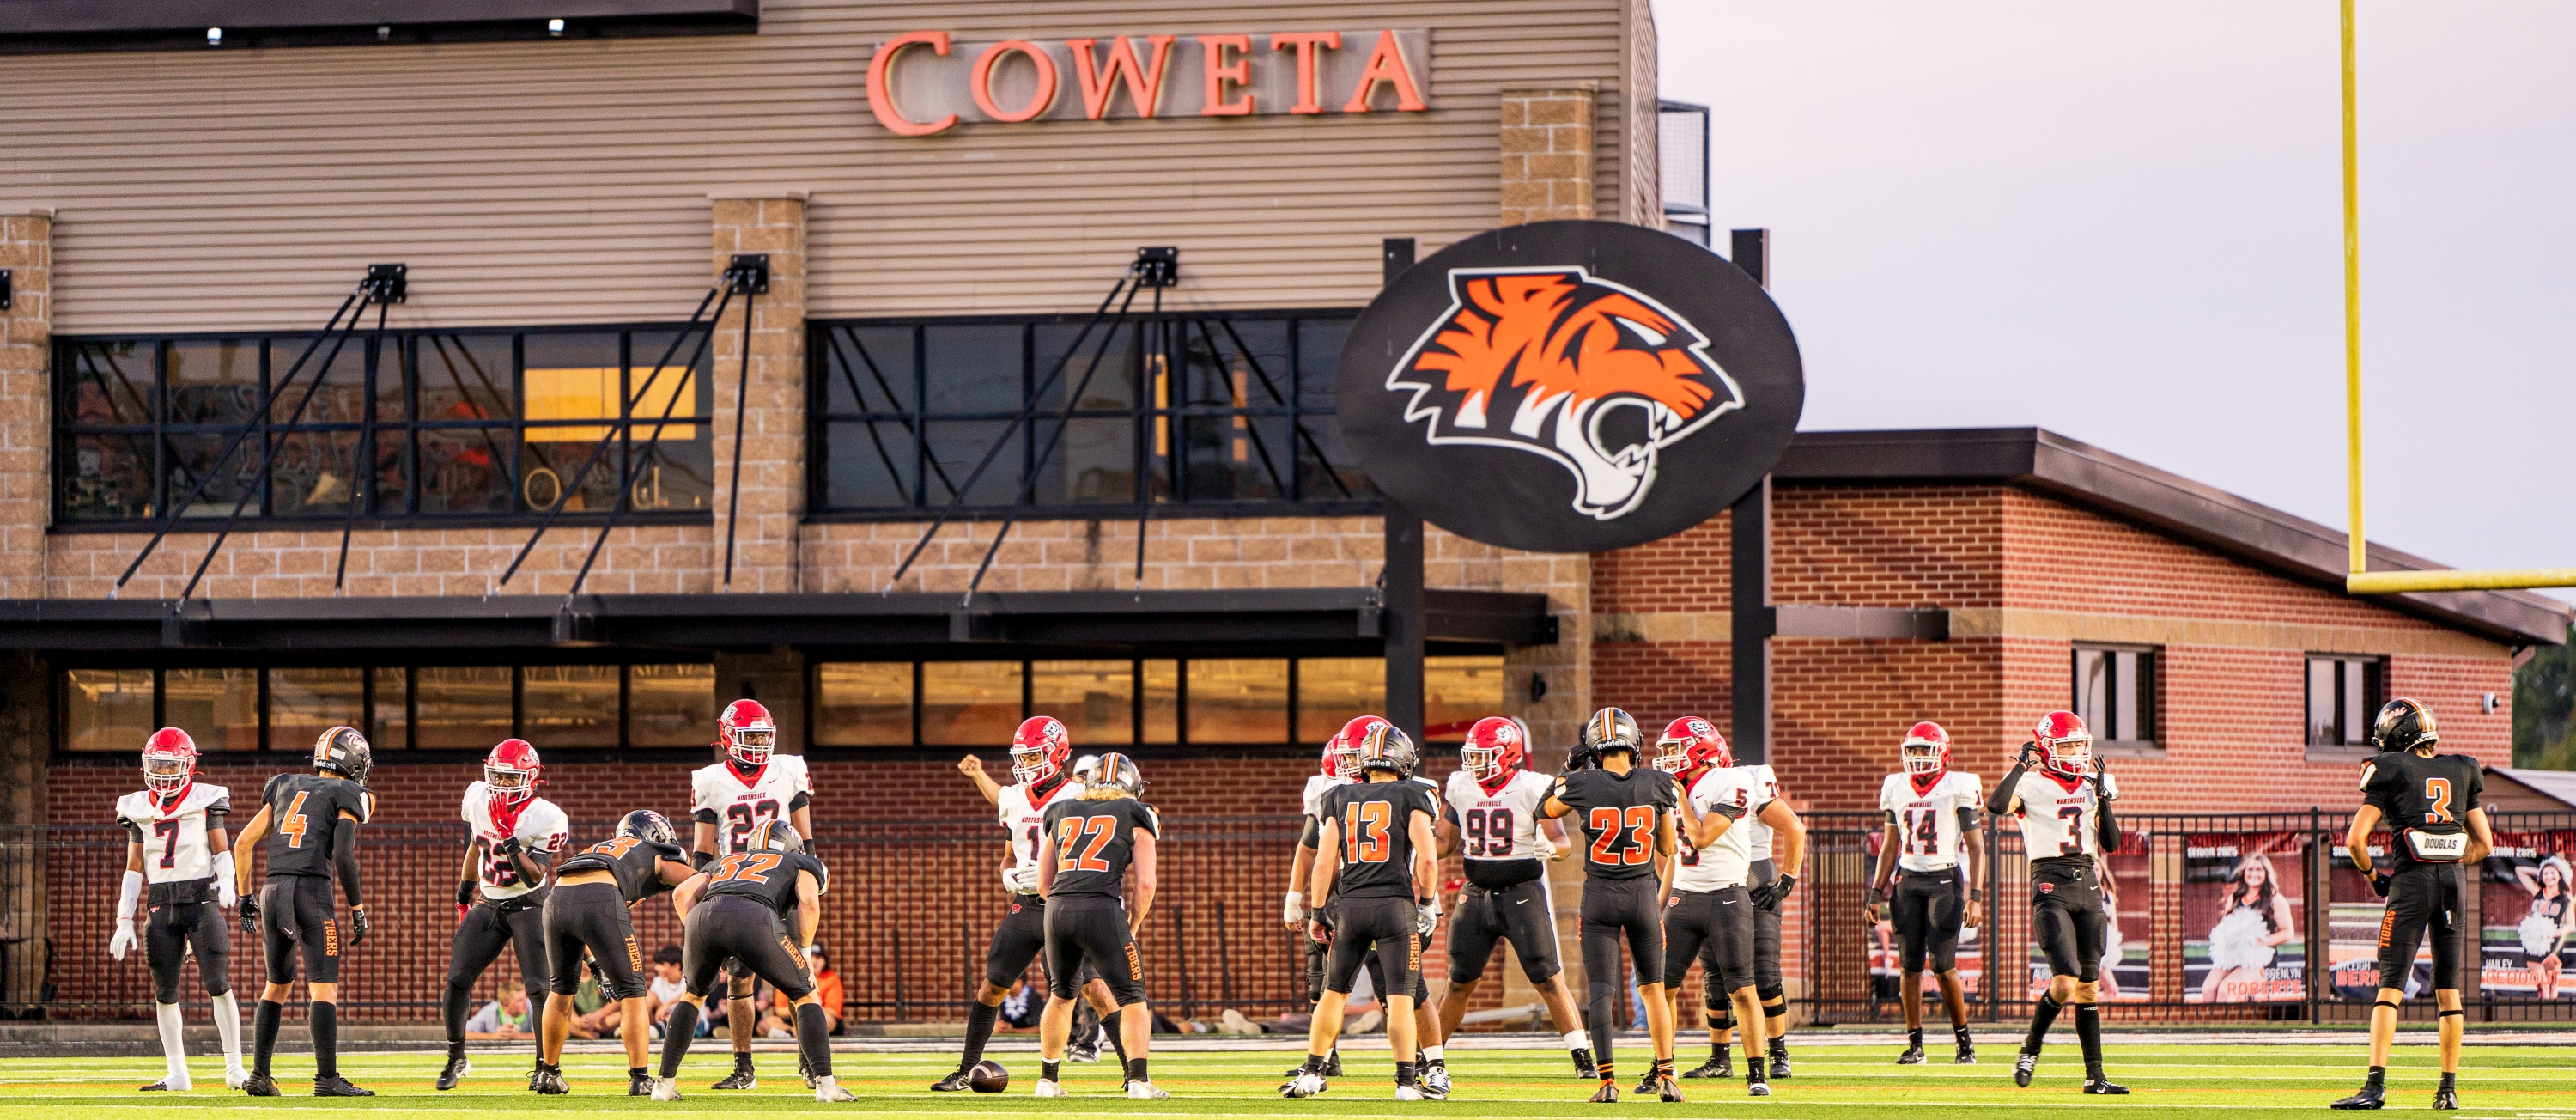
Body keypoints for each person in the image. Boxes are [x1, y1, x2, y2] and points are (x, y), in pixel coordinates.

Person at [934, 718, 1133, 1090]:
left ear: (1057, 754)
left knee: (1096, 989)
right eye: (1022, 757)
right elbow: (1009, 856)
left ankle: (1132, 1072)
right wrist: (1007, 874)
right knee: (991, 988)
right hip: (1026, 906)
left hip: (1065, 902)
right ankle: (965, 1070)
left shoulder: (1079, 794)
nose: (1026, 764)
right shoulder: (1013, 797)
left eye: (1034, 755)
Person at [2332, 698, 2494, 1111]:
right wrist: (2451, 862)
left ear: (2396, 734)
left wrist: (2373, 878)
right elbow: (2485, 844)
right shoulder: (2461, 770)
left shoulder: (2389, 770)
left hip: (2410, 884)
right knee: (2449, 990)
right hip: (2453, 883)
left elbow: (2354, 840)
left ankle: (2375, 1085)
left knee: (2391, 985)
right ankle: (2448, 1089)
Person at [1283, 725, 1440, 1101]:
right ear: (1403, 761)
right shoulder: (1415, 793)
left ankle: (1312, 1071)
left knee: (1332, 992)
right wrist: (1428, 903)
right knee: (1400, 997)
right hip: (1394, 907)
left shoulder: (1338, 795)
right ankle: (1405, 1083)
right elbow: (1429, 861)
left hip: (1350, 907)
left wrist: (1318, 910)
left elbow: (1323, 864)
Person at [1437, 716, 1594, 1082]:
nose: (1474, 764)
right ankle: (1430, 1057)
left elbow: (1563, 843)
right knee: (1459, 981)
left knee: (1548, 978)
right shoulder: (1460, 785)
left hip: (1522, 892)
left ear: (1508, 756)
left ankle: (1582, 1055)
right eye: (1472, 756)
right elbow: (1445, 843)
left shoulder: (1531, 786)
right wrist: (1417, 840)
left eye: (1484, 756)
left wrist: (1549, 849)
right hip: (1475, 895)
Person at [652, 819, 851, 1103]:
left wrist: (705, 939)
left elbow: (681, 893)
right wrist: (805, 953)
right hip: (754, 916)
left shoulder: (726, 860)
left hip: (703, 917)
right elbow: (808, 899)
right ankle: (826, 1086)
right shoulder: (800, 861)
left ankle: (663, 1084)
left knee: (693, 995)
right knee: (805, 994)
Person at [1540, 708, 1680, 1104]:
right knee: (1653, 990)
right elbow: (1668, 848)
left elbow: (1543, 809)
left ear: (1595, 751)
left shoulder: (1581, 783)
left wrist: (1568, 769)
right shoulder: (1659, 782)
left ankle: (1606, 1083)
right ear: (1634, 745)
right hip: (1641, 897)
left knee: (1602, 993)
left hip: (1599, 896)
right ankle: (1667, 1077)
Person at [229, 726, 374, 1098]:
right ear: (354, 760)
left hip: (271, 890)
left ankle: (260, 1074)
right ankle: (327, 1078)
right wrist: (358, 908)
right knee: (323, 986)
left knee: (276, 985)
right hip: (311, 892)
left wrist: (245, 896)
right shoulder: (350, 791)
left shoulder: (283, 783)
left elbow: (243, 842)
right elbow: (342, 854)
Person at [1661, 715, 1801, 1098]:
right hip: (1688, 893)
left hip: (1739, 883)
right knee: (1696, 981)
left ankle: (1772, 1058)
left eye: (1675, 750)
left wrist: (1786, 879)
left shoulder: (1738, 780)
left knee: (1757, 978)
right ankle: (1680, 1065)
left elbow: (1704, 835)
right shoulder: (1680, 787)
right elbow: (1672, 852)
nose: (1668, 759)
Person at [1988, 711, 2125, 1094]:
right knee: (2064, 983)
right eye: (2067, 745)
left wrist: (2103, 799)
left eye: (2080, 744)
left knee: (2089, 988)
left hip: (2088, 883)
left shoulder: (2093, 782)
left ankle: (2095, 1077)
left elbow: (2112, 844)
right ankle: (2030, 1048)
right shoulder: (2030, 783)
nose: (2076, 752)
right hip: (2050, 882)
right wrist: (2018, 767)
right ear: (2047, 747)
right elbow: (1996, 806)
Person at [686, 698, 815, 1091]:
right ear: (728, 737)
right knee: (738, 981)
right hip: (737, 886)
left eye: (763, 735)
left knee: (800, 977)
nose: (758, 743)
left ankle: (810, 1061)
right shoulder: (710, 779)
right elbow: (703, 852)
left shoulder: (790, 769)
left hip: (782, 882)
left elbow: (806, 838)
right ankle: (744, 1069)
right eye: (750, 735)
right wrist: (702, 898)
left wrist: (809, 879)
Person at [110, 727, 246, 1092]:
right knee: (164, 992)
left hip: (200, 900)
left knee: (219, 985)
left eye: (171, 765)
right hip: (160, 904)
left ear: (187, 765)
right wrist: (124, 920)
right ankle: (178, 1073)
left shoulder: (206, 799)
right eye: (158, 765)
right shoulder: (137, 806)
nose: (164, 773)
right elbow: (134, 866)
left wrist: (228, 881)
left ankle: (234, 1068)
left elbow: (221, 849)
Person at [1030, 752, 1166, 1099]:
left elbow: (1043, 882)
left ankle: (1048, 1081)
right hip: (1102, 908)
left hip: (1057, 909)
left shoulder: (1060, 810)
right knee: (1133, 999)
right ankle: (1138, 1081)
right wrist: (1131, 924)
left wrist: (1063, 909)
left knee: (1061, 996)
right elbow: (1146, 883)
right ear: (1131, 784)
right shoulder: (1138, 813)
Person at [438, 739, 568, 1092]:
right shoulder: (478, 797)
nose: (503, 784)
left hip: (529, 903)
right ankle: (456, 1056)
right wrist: (464, 893)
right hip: (489, 901)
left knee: (540, 989)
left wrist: (511, 838)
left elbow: (535, 874)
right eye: (498, 776)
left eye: (512, 778)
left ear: (531, 778)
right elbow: (475, 846)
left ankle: (547, 1067)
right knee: (457, 980)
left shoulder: (547, 816)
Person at [543, 810, 699, 1095]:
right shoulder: (656, 851)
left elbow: (584, 908)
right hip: (600, 896)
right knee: (633, 991)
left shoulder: (605, 849)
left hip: (556, 899)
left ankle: (548, 1072)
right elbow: (697, 882)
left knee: (561, 988)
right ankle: (640, 1077)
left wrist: (594, 963)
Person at [1864, 721, 1983, 1064]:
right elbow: (1889, 845)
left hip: (1944, 880)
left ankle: (1964, 1043)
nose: (1918, 757)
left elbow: (1976, 847)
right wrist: (1875, 893)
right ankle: (1915, 1044)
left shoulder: (1958, 785)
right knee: (1909, 967)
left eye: (1924, 750)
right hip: (1907, 881)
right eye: (1913, 750)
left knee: (1943, 966)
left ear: (1943, 752)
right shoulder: (1895, 786)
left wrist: (1974, 895)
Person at [1281, 716, 1379, 1081]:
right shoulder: (1327, 788)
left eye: (1355, 758)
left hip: (1379, 890)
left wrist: (1424, 899)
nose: (1347, 768)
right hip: (1334, 891)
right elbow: (1309, 847)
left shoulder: (1402, 790)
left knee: (1393, 981)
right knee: (1319, 978)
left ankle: (1420, 1060)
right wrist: (1295, 897)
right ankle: (1324, 1058)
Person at [1714, 752, 1799, 1080]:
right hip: (1716, 885)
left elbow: (1793, 825)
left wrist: (1787, 880)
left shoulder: (1750, 777)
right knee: (1716, 976)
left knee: (1764, 973)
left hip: (1755, 882)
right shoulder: (1687, 786)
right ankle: (1720, 1059)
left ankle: (1778, 1050)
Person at [2510, 856, 2572, 1001]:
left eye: (2553, 873)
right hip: (2534, 943)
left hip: (2553, 943)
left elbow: (2571, 925)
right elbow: (2519, 870)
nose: (2549, 876)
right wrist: (2541, 871)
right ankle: (2543, 1017)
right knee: (2540, 985)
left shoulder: (2565, 898)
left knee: (2552, 985)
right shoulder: (2537, 891)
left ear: (2560, 875)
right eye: (2546, 874)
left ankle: (2552, 1019)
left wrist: (2550, 933)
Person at [766, 946, 842, 1037]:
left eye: (818, 957)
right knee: (765, 1024)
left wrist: (810, 1008)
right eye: (810, 956)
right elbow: (779, 1011)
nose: (813, 961)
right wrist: (806, 1005)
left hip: (819, 1017)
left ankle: (790, 1033)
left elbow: (834, 1012)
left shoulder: (831, 978)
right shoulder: (789, 978)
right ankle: (791, 1032)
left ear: (824, 961)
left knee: (825, 1019)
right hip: (794, 1018)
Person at [645, 946, 690, 1036]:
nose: (656, 968)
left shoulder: (688, 979)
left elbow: (691, 994)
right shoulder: (658, 981)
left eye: (661, 964)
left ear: (676, 966)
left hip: (688, 1022)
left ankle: (659, 1027)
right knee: (649, 996)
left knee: (685, 1007)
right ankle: (639, 1028)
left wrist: (668, 1003)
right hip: (661, 1018)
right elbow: (654, 1006)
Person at [469, 982, 535, 1041]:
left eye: (525, 998)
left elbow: (543, 1035)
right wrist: (493, 1036)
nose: (525, 1003)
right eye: (520, 1000)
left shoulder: (532, 1008)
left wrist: (520, 1036)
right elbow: (466, 1033)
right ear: (506, 1005)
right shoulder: (490, 1011)